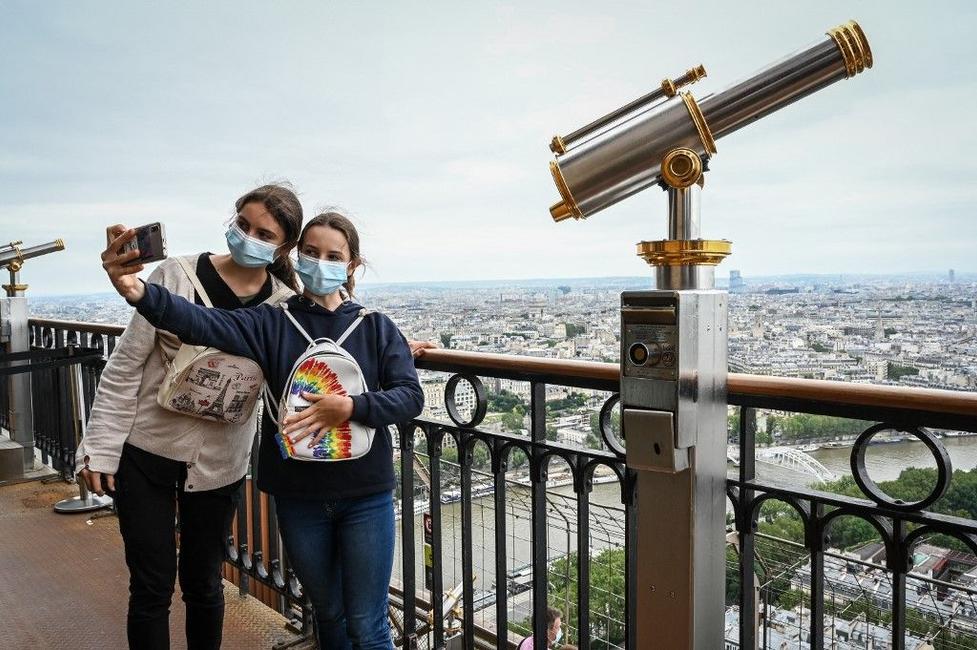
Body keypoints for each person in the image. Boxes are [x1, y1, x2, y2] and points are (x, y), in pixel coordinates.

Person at [101, 210, 425, 650]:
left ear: (352, 264)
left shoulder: (375, 327)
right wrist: (138, 291)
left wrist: (350, 406)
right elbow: (201, 321)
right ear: (295, 255)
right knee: (329, 613)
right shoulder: (273, 321)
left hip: (363, 493)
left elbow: (410, 396)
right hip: (301, 494)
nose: (320, 263)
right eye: (311, 252)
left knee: (368, 626)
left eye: (333, 256)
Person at [77, 183, 304, 649]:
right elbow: (126, 366)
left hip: (219, 464)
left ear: (284, 247)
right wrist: (100, 448)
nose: (248, 238)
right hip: (147, 449)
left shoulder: (283, 307)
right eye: (243, 225)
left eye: (264, 234)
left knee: (204, 583)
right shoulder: (175, 276)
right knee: (151, 584)